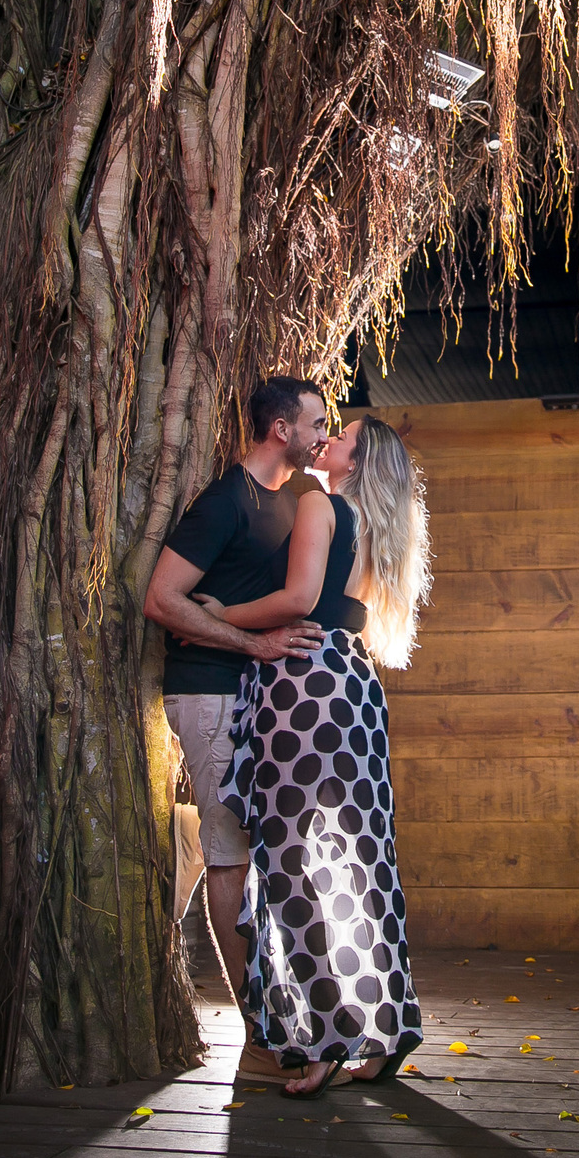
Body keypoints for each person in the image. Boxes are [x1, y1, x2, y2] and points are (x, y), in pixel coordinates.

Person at [210, 414, 431, 1098]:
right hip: (355, 685)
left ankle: (324, 1039)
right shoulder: (382, 526)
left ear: (354, 461)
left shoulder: (320, 504)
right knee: (364, 861)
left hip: (304, 683)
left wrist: (218, 614)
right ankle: (386, 1029)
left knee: (295, 860)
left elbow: (299, 601)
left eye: (341, 437)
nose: (327, 440)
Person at [144, 376, 329, 1080]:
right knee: (229, 852)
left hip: (255, 693)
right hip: (208, 692)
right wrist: (250, 643)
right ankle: (255, 1039)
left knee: (259, 850)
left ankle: (285, 1014)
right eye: (315, 422)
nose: (321, 432)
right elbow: (162, 599)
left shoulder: (293, 503)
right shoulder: (224, 502)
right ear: (281, 429)